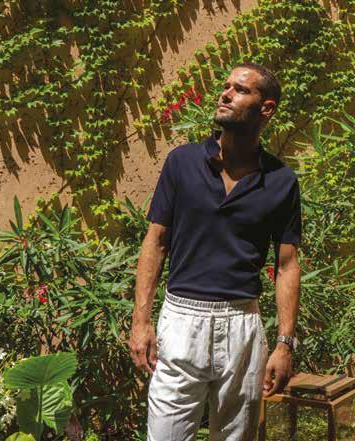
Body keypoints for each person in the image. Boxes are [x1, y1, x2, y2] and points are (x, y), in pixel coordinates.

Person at [129, 62, 302, 441]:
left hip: (242, 325)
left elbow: (287, 265)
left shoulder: (281, 181)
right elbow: (156, 241)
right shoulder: (182, 162)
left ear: (266, 108)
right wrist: (141, 321)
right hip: (181, 321)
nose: (225, 94)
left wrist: (284, 343)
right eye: (226, 86)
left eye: (241, 90)